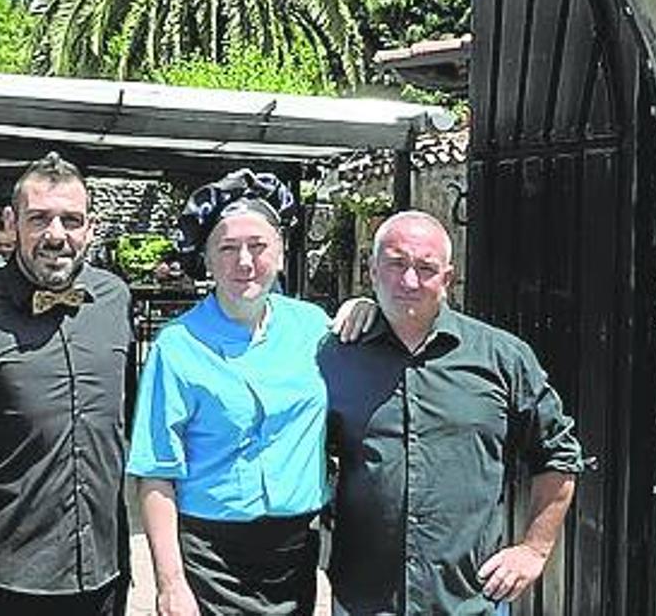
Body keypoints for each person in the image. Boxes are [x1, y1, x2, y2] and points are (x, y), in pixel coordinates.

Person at [126, 169, 373, 616]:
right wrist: (170, 583)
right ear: (206, 259)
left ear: (279, 253)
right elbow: (156, 470)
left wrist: (367, 308)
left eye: (258, 247)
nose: (244, 262)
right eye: (227, 247)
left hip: (294, 552)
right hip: (211, 554)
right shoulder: (177, 346)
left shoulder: (315, 328)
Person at [319, 210, 585, 615]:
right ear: (371, 271)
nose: (409, 281)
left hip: (470, 602)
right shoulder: (334, 356)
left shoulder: (501, 358)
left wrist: (534, 550)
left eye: (425, 268)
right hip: (362, 601)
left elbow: (560, 455)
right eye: (395, 264)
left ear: (447, 278)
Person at [0, 152, 132, 615]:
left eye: (71, 220)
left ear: (90, 228)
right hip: (8, 575)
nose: (56, 235)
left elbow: (125, 419)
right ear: (11, 222)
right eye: (39, 219)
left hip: (103, 570)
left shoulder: (114, 298)